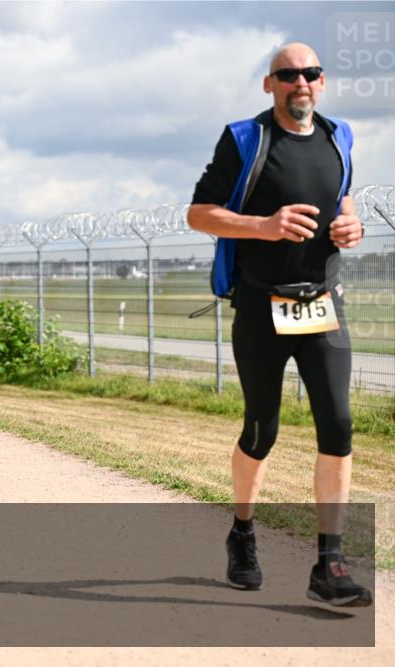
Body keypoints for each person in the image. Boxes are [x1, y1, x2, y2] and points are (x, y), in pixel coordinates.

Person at [187, 43, 370, 607]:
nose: (300, 82)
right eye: (288, 74)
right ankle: (242, 532)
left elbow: (343, 199)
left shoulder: (339, 136)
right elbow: (199, 213)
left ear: (322, 81)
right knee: (261, 431)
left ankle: (329, 563)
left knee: (338, 426)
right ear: (270, 84)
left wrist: (352, 225)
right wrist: (263, 226)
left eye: (310, 73)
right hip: (261, 307)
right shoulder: (245, 138)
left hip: (322, 305)